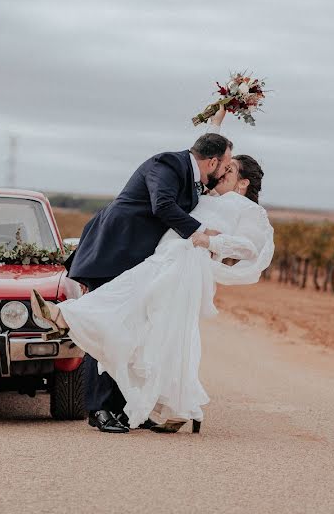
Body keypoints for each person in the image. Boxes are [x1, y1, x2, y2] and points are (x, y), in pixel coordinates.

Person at [32, 151, 273, 432]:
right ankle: (167, 408)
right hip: (159, 258)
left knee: (148, 319)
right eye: (221, 166)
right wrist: (218, 116)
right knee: (149, 332)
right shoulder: (206, 196)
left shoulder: (250, 211)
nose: (221, 172)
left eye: (229, 170)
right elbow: (203, 159)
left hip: (183, 269)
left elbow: (249, 248)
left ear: (242, 183)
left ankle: (65, 316)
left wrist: (209, 242)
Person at [57, 108, 234, 433]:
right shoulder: (166, 164)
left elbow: (209, 157)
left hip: (136, 263)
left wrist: (219, 121)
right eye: (224, 166)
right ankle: (99, 410)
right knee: (107, 324)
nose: (223, 173)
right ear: (211, 162)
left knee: (134, 331)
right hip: (112, 253)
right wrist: (200, 235)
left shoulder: (192, 174)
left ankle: (124, 408)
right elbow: (162, 205)